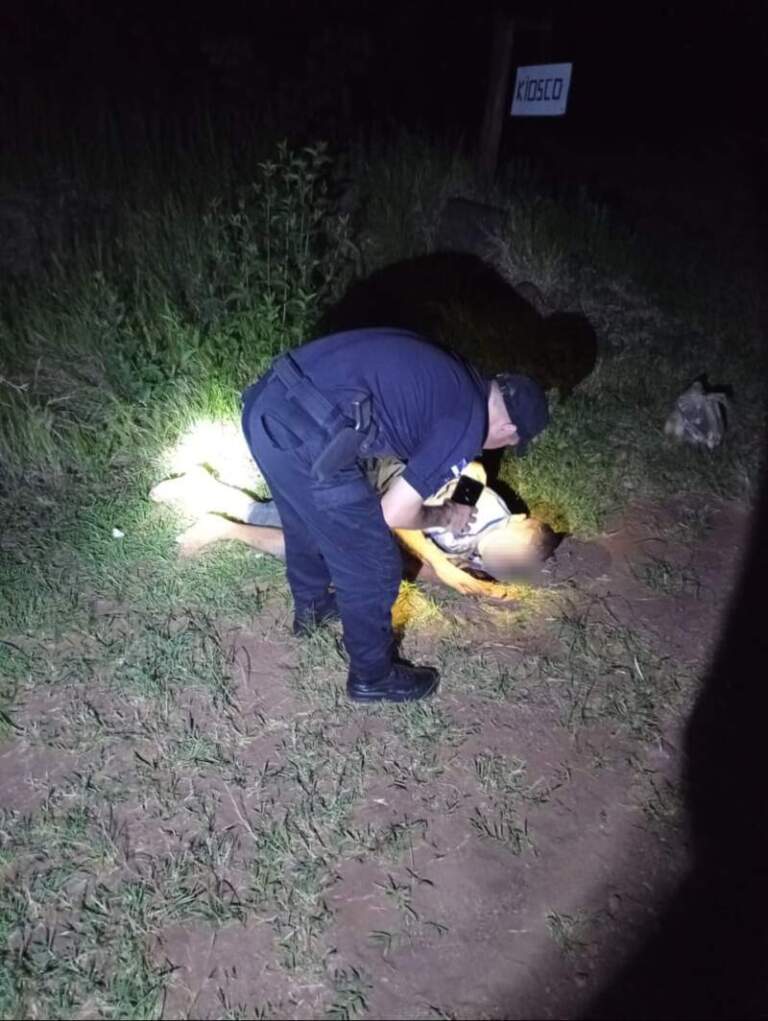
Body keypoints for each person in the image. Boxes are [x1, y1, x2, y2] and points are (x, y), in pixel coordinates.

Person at [240, 327, 549, 703]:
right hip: (305, 433)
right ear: (509, 429)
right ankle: (372, 677)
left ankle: (313, 607)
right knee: (374, 562)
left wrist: (455, 500)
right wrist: (443, 514)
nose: (497, 447)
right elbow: (393, 513)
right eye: (509, 443)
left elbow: (465, 465)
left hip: (266, 405)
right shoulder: (465, 421)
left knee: (304, 521)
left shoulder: (459, 378)